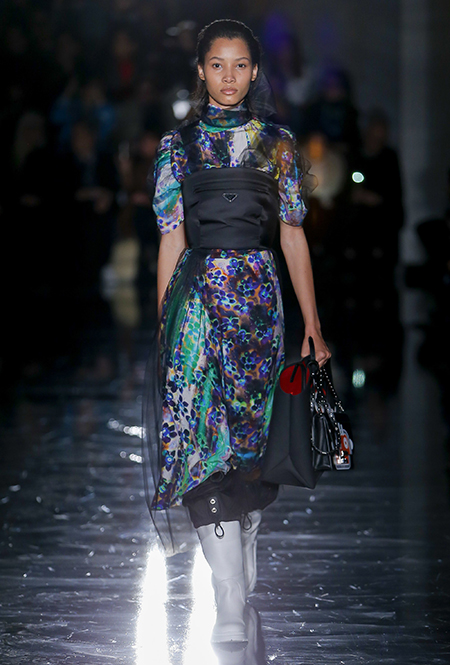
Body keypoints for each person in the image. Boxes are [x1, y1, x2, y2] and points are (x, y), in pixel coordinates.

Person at [144, 19, 331, 646]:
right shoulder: (178, 146)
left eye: (241, 65)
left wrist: (312, 324)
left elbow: (293, 236)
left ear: (255, 71)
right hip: (197, 306)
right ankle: (227, 592)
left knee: (251, 438)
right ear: (201, 70)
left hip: (258, 306)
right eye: (217, 65)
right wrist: (165, 324)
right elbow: (171, 238)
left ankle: (243, 543)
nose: (229, 76)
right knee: (203, 437)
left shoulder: (277, 143)